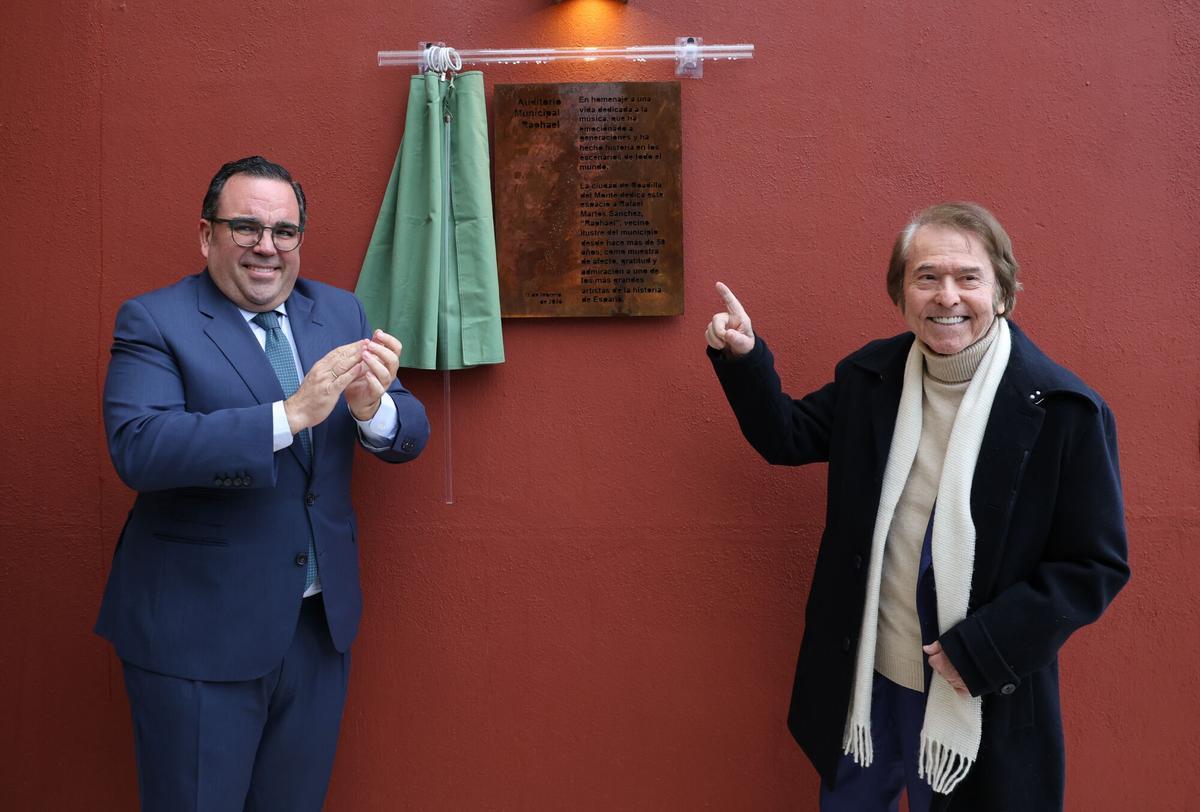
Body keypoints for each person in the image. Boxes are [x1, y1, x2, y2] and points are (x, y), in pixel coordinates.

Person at [705, 202, 1129, 811]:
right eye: (926, 277)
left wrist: (981, 651)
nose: (946, 296)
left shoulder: (1064, 411)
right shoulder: (871, 379)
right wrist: (745, 359)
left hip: (972, 690)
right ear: (901, 295)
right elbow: (788, 437)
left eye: (968, 278)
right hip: (868, 680)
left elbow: (1094, 565)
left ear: (1003, 293)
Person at [96, 156, 430, 811]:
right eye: (245, 227)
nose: (267, 247)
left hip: (314, 631)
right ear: (206, 235)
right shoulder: (154, 321)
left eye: (285, 231)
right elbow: (139, 447)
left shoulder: (339, 311)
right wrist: (289, 416)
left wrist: (372, 409)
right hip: (197, 638)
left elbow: (408, 428)